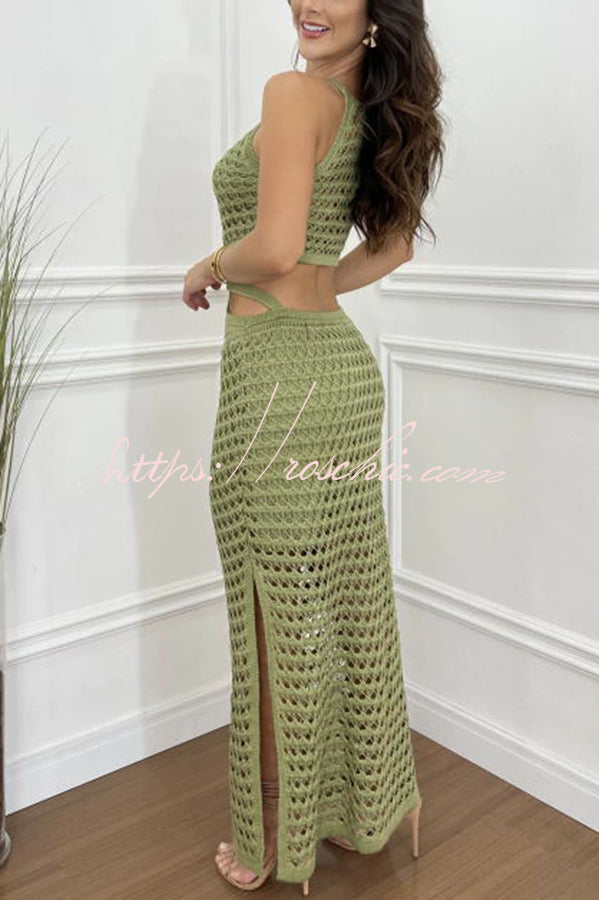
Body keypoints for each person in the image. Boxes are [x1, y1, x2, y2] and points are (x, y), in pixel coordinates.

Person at [182, 0, 445, 893]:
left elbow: (273, 245)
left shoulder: (293, 94)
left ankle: (271, 840)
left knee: (271, 612)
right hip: (335, 371)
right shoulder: (375, 115)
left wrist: (209, 265)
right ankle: (369, 808)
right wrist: (318, 281)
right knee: (345, 600)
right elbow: (393, 248)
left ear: (376, 13)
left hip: (276, 381)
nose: (307, 2)